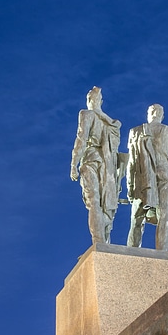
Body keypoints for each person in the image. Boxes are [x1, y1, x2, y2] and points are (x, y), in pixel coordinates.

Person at [126, 103, 168, 251]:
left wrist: (130, 187)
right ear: (161, 115)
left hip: (144, 175)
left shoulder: (136, 131)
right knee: (163, 216)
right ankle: (163, 254)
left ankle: (132, 253)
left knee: (137, 216)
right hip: (165, 172)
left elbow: (131, 162)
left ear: (149, 114)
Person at [70, 87, 122, 244]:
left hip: (92, 160)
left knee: (94, 202)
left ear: (88, 100)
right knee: (105, 204)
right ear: (101, 101)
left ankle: (98, 243)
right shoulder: (110, 124)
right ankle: (104, 242)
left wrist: (74, 163)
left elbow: (81, 139)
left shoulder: (86, 114)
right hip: (108, 166)